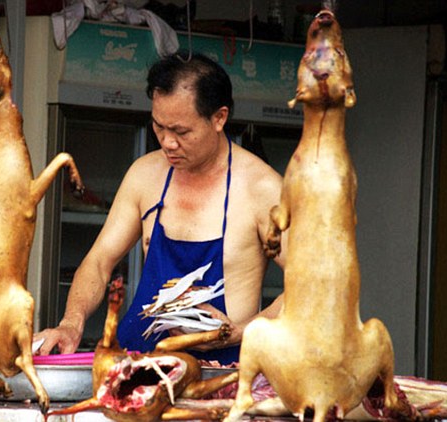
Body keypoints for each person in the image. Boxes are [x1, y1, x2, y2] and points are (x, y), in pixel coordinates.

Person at [35, 51, 286, 364]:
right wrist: (71, 323)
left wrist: (237, 332)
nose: (167, 142)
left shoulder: (263, 189)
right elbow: (100, 261)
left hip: (220, 373)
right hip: (134, 363)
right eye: (159, 128)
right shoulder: (145, 174)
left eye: (181, 132)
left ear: (219, 118)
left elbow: (308, 289)